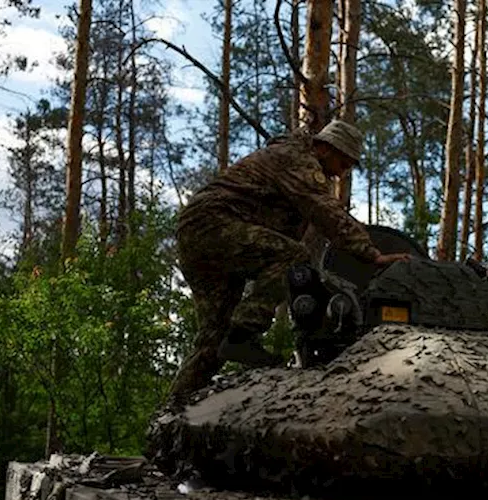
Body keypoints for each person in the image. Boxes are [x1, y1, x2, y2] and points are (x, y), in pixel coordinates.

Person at [166, 120, 410, 403]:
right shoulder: (297, 159)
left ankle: (173, 413)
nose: (343, 172)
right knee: (293, 256)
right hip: (214, 225)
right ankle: (244, 333)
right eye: (344, 163)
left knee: (213, 339)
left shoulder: (293, 160)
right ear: (325, 149)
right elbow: (326, 210)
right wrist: (372, 253)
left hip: (200, 236)